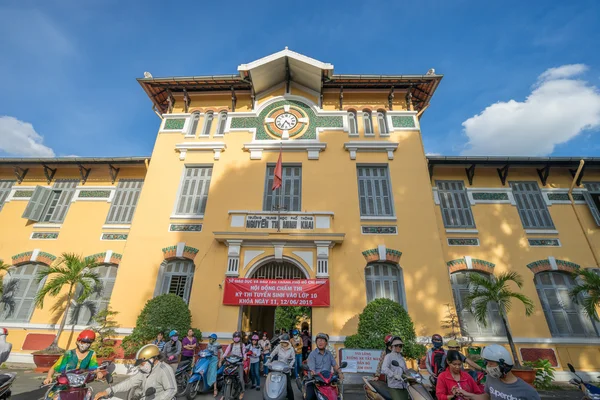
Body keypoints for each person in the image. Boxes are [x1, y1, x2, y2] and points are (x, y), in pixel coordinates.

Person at [455, 345, 540, 400]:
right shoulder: (491, 378)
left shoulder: (528, 392)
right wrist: (469, 395)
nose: (488, 367)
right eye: (487, 363)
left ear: (504, 365)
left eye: (491, 364)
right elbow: (488, 397)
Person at [94, 344, 177, 400]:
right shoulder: (145, 371)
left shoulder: (164, 369)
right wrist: (108, 391)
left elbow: (171, 390)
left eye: (142, 363)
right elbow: (130, 382)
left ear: (152, 359)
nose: (141, 366)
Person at [306, 333, 344, 400]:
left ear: (326, 343)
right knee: (309, 397)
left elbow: (335, 365)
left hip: (327, 381)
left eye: (322, 340)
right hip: (316, 381)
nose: (320, 342)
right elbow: (312, 369)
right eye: (318, 340)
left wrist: (340, 372)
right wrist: (313, 373)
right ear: (316, 342)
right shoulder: (312, 354)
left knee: (338, 395)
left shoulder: (329, 354)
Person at [269, 334, 296, 400]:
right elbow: (272, 354)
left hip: (286, 369)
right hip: (278, 369)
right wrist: (268, 361)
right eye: (282, 342)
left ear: (287, 342)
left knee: (288, 386)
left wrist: (290, 366)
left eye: (285, 342)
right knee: (275, 384)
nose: (283, 343)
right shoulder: (279, 346)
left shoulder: (291, 349)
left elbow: (293, 359)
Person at [221, 331, 247, 400]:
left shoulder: (242, 345)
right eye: (235, 337)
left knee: (241, 379)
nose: (236, 338)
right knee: (224, 376)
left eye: (238, 337)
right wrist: (223, 357)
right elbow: (226, 352)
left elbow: (244, 353)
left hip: (239, 363)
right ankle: (223, 394)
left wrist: (244, 357)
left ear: (240, 338)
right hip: (231, 363)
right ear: (233, 338)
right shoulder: (231, 345)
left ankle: (242, 391)